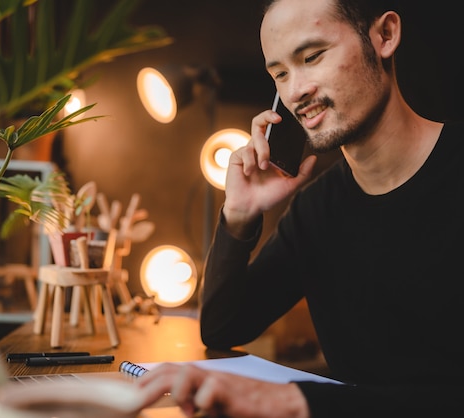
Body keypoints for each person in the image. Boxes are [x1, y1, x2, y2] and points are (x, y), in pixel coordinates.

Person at [135, 0, 464, 416]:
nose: (295, 92)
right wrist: (240, 214)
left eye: (311, 57)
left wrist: (295, 402)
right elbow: (223, 326)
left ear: (384, 36)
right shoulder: (317, 211)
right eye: (280, 75)